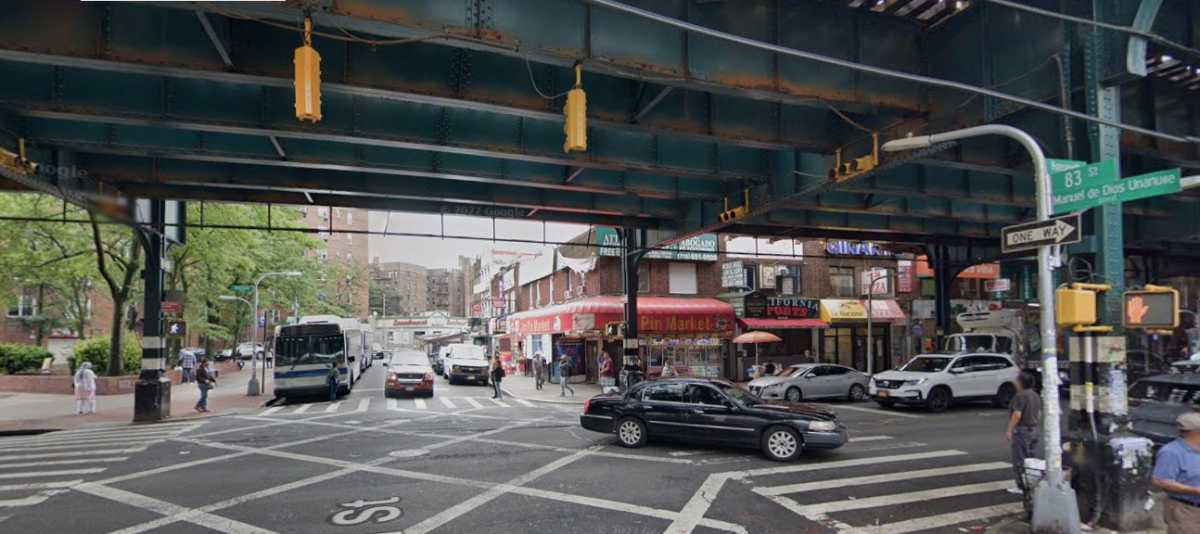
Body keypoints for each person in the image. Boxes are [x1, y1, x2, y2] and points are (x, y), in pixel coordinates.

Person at [1152, 412, 1200, 533]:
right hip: (1186, 510)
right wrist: (1195, 490)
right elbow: (1160, 481)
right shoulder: (1171, 452)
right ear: (1195, 432)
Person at [1005, 371, 1042, 495]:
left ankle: (1021, 486)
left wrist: (1010, 430)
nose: (1015, 382)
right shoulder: (1035, 395)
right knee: (1032, 460)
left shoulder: (1021, 396)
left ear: (1021, 382)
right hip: (1034, 429)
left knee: (1020, 460)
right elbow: (1039, 414)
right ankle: (1032, 484)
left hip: (1022, 430)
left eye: (1017, 380)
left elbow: (1017, 414)